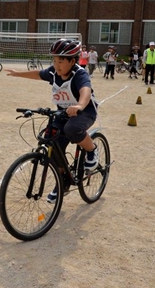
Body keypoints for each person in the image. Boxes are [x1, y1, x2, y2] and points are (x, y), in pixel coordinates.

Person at [6, 39, 99, 203]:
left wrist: (79, 105)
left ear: (72, 60)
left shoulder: (79, 74)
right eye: (54, 60)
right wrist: (17, 73)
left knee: (72, 129)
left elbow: (86, 90)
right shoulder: (54, 73)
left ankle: (92, 150)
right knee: (50, 139)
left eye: (61, 61)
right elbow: (38, 74)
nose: (56, 64)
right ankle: (62, 180)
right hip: (63, 113)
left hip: (84, 112)